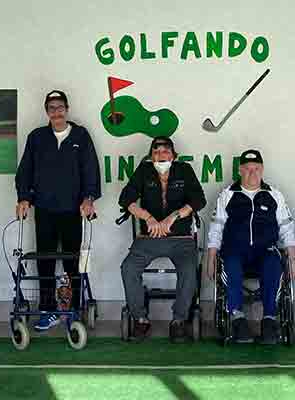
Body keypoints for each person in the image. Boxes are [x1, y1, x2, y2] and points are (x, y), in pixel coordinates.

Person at [15, 90, 101, 332]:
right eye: (52, 108)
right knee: (45, 261)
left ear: (67, 109)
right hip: (45, 209)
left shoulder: (81, 136)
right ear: (46, 111)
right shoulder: (37, 137)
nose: (56, 111)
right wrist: (23, 198)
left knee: (73, 261)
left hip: (73, 209)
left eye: (60, 107)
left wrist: (89, 198)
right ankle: (47, 309)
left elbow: (91, 170)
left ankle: (74, 308)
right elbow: (25, 171)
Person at [118, 136, 206, 343]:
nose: (161, 155)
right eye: (156, 152)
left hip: (181, 238)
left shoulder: (184, 170)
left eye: (166, 151)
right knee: (128, 268)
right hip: (149, 238)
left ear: (173, 155)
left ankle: (179, 320)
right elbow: (126, 199)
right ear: (151, 156)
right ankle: (140, 318)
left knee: (189, 270)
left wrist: (173, 217)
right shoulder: (144, 170)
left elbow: (198, 200)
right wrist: (148, 218)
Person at [205, 149, 295, 344]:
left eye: (256, 169)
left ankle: (269, 319)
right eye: (247, 169)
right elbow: (216, 227)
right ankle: (237, 318)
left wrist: (292, 259)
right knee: (231, 264)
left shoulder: (274, 195)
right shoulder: (227, 195)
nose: (252, 173)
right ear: (240, 170)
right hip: (235, 250)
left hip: (265, 250)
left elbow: (287, 228)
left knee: (273, 263)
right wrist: (211, 258)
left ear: (262, 170)